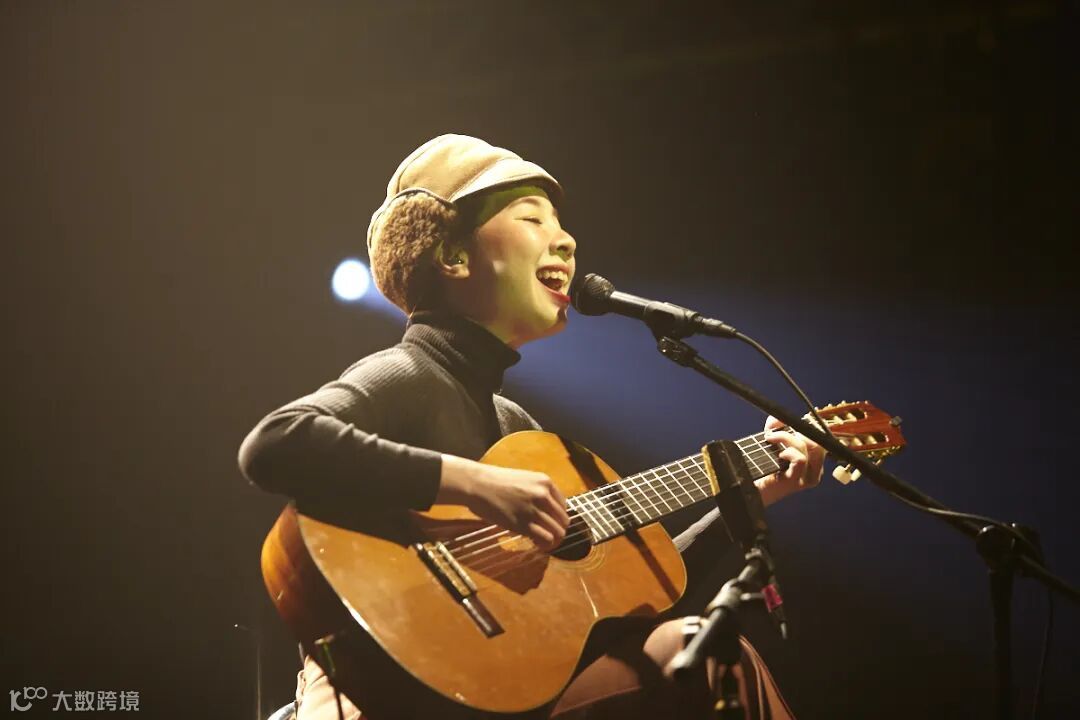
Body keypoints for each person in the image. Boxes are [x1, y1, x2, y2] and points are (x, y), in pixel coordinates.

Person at [238, 134, 824, 720]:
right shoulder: (409, 374)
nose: (566, 240)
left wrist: (753, 493)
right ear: (454, 257)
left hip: (503, 700)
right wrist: (475, 484)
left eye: (561, 225)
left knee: (706, 653)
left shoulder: (517, 429)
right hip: (380, 697)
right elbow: (276, 442)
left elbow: (632, 598)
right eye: (532, 218)